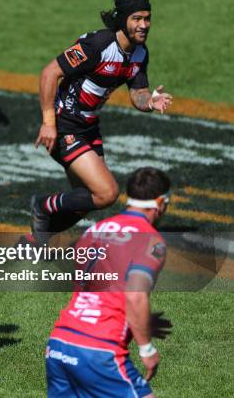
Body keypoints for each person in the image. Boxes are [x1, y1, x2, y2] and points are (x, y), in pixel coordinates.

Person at [30, 0, 173, 244]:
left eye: (147, 19)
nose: (143, 25)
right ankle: (42, 206)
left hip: (88, 128)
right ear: (122, 20)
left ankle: (36, 242)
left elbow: (137, 92)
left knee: (85, 199)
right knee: (106, 193)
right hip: (64, 125)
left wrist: (149, 101)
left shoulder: (140, 53)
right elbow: (49, 73)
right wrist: (48, 122)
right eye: (136, 18)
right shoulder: (97, 45)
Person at [45, 167, 172, 398]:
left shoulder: (93, 231)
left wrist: (140, 322)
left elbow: (89, 291)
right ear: (160, 203)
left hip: (59, 343)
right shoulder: (150, 239)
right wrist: (147, 348)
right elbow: (134, 295)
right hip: (99, 350)